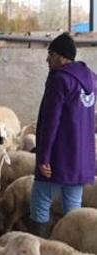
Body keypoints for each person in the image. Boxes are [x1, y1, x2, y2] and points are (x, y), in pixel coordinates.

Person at [30, 32, 97, 238]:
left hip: (59, 155)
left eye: (50, 54)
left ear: (60, 56)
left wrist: (44, 157)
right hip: (81, 157)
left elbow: (51, 121)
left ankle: (39, 246)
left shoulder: (59, 79)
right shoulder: (92, 80)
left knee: (40, 199)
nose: (47, 59)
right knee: (73, 206)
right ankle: (70, 249)